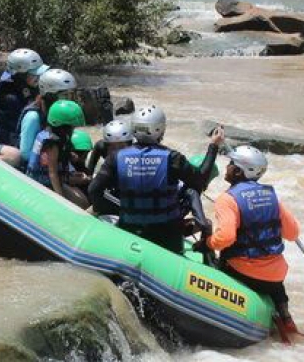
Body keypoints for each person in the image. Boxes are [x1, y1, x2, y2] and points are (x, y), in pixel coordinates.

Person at [88, 105, 225, 254]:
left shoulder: (116, 157)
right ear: (160, 130)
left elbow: (94, 190)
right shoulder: (173, 158)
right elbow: (201, 180)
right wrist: (214, 146)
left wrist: (123, 211)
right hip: (166, 237)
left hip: (130, 231)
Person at [203, 145, 301, 335]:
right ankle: (284, 314)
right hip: (276, 277)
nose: (228, 166)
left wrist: (207, 242)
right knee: (272, 275)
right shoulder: (271, 196)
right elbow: (293, 233)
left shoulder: (228, 199)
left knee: (215, 257)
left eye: (231, 164)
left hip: (244, 271)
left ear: (239, 171)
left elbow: (225, 238)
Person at [26, 100, 90, 209]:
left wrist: (69, 156)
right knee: (83, 204)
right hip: (42, 182)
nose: (73, 129)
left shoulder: (48, 132)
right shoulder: (52, 144)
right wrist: (60, 199)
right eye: (71, 126)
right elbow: (52, 173)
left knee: (82, 193)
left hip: (48, 177)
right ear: (62, 126)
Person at [0, 48, 49, 146]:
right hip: (8, 139)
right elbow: (21, 127)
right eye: (34, 75)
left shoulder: (21, 84)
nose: (39, 78)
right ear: (20, 75)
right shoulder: (10, 98)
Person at [17, 68, 77, 165]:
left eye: (71, 95)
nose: (69, 100)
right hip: (36, 167)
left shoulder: (60, 114)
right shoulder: (33, 117)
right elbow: (25, 154)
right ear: (50, 96)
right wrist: (51, 160)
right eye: (65, 96)